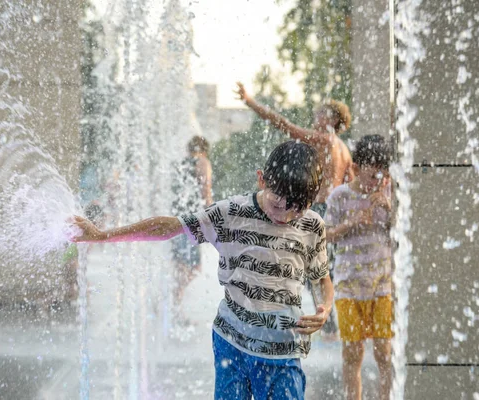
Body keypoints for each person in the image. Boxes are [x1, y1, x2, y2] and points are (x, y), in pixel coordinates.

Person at [72, 140, 333, 400]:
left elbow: (321, 278)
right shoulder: (232, 213)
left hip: (283, 350)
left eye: (297, 208)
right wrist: (103, 235)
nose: (285, 216)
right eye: (278, 204)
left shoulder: (312, 226)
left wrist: (325, 308)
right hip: (233, 344)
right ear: (261, 180)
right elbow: (170, 227)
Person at [236, 82, 350, 336]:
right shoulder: (344, 149)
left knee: (310, 268)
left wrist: (250, 102)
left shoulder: (323, 140)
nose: (314, 116)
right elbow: (350, 184)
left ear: (330, 118)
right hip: (333, 210)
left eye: (319, 113)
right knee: (325, 268)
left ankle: (323, 322)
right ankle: (330, 321)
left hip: (315, 208)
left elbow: (284, 124)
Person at [324, 135, 393, 400]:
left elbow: (401, 237)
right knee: (353, 353)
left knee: (384, 353)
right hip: (349, 288)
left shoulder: (388, 194)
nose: (378, 181)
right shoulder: (340, 196)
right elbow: (327, 234)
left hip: (381, 287)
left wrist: (390, 211)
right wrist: (352, 222)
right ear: (357, 166)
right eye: (373, 174)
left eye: (383, 176)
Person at [171, 136, 213, 319]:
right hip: (190, 222)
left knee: (182, 266)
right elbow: (206, 190)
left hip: (176, 219)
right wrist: (212, 215)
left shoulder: (182, 163)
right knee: (193, 267)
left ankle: (172, 305)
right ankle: (173, 304)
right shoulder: (202, 161)